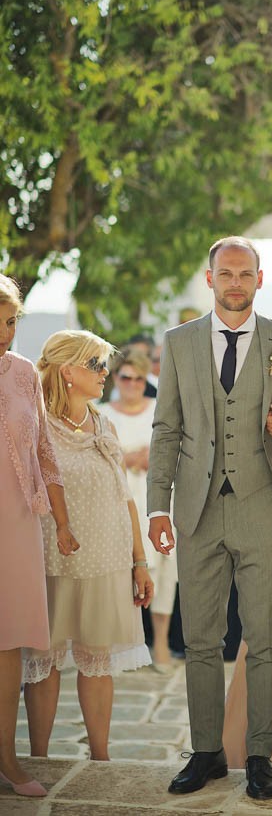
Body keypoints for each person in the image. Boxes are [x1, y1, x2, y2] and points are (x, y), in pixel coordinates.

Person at [147, 236, 272, 800]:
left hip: (263, 503)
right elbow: (166, 428)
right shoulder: (180, 342)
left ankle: (260, 755)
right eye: (225, 273)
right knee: (201, 639)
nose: (235, 283)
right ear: (209, 278)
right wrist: (157, 506)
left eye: (245, 274)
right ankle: (207, 751)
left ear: (259, 280)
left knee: (265, 638)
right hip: (195, 508)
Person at [23, 330, 153, 762]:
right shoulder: (36, 425)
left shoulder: (104, 423)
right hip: (53, 560)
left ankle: (101, 759)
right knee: (45, 661)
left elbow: (125, 498)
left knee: (97, 663)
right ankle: (37, 760)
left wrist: (140, 561)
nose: (105, 373)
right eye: (96, 364)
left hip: (107, 561)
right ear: (68, 371)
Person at [0, 275, 78, 799]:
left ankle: (7, 757)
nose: (6, 333)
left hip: (17, 523)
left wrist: (63, 520)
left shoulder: (24, 373)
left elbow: (45, 453)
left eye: (10, 322)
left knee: (8, 641)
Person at [100, 348, 177, 671]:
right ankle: (118, 645)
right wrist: (125, 459)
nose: (132, 384)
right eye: (125, 377)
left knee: (165, 569)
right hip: (115, 503)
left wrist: (152, 458)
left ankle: (160, 642)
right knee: (118, 570)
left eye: (138, 378)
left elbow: (177, 447)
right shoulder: (101, 413)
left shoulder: (160, 410)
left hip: (156, 499)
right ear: (116, 377)